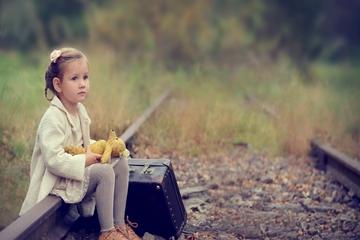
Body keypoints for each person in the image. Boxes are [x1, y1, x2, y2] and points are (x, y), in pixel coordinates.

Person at [19, 47, 141, 240]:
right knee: (104, 171)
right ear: (58, 85)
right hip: (57, 180)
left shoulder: (80, 110)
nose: (82, 84)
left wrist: (103, 147)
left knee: (121, 163)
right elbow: (54, 160)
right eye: (74, 79)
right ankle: (107, 232)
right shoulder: (52, 119)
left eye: (85, 77)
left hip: (75, 171)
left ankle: (119, 225)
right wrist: (86, 159)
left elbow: (82, 143)